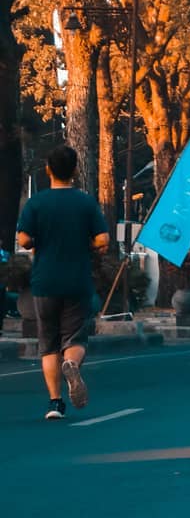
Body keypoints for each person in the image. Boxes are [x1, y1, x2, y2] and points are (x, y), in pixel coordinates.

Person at [15, 144, 108, 420]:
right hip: (77, 280)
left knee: (48, 344)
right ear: (76, 170)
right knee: (75, 337)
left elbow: (23, 239)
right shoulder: (86, 203)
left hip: (45, 281)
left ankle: (55, 403)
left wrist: (37, 242)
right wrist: (86, 244)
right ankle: (72, 363)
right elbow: (103, 240)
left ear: (48, 170)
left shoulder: (36, 204)